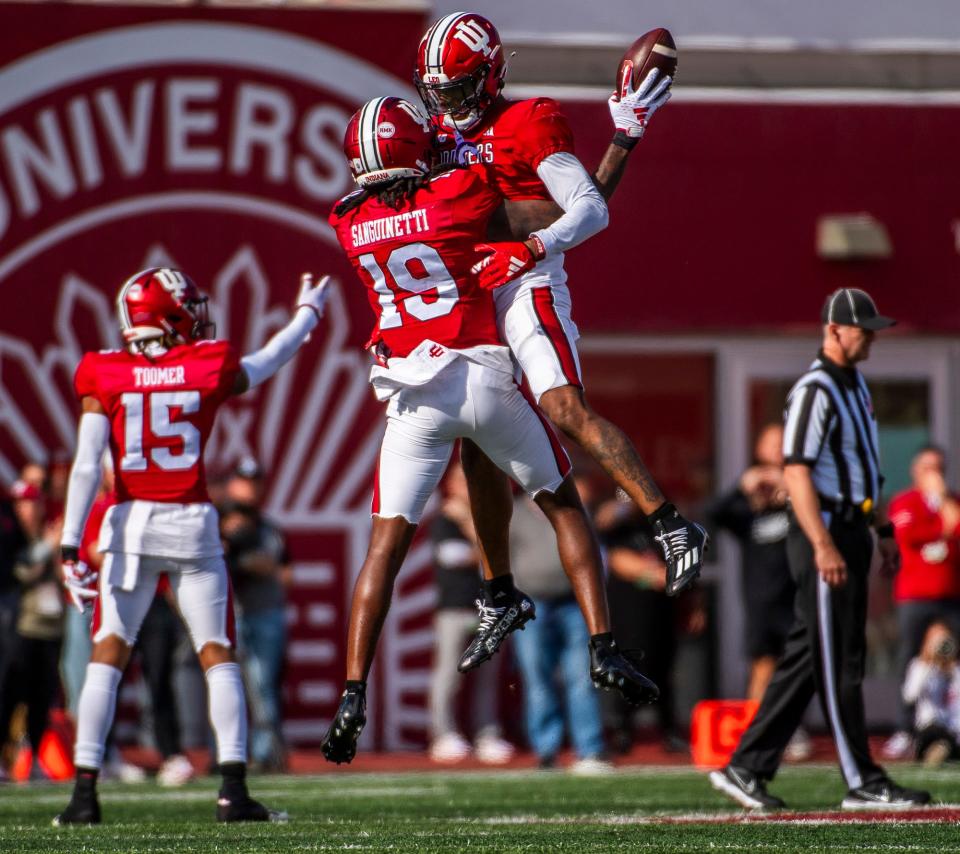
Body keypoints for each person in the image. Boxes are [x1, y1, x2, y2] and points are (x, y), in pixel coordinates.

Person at [320, 97, 657, 765]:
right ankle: (603, 647)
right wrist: (622, 142)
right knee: (562, 504)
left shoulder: (346, 220)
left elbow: (399, 190)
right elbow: (565, 213)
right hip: (478, 376)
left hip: (411, 403)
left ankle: (352, 695)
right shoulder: (459, 194)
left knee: (383, 551)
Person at [412, 12, 708, 662]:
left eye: (458, 90)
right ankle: (497, 592)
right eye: (439, 91)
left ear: (489, 79)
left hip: (527, 279)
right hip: (472, 287)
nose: (447, 104)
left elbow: (590, 207)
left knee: (563, 409)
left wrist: (530, 249)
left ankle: (672, 525)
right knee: (475, 436)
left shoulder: (529, 120)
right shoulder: (432, 129)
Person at [52, 265, 329, 824]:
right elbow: (268, 361)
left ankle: (84, 795)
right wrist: (308, 316)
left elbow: (86, 465)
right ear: (168, 312)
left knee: (108, 652)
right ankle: (232, 791)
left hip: (128, 523)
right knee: (216, 653)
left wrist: (67, 544)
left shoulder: (104, 370)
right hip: (191, 522)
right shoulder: (205, 363)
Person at [709, 288, 931, 810]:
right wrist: (823, 542)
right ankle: (862, 780)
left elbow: (864, 472)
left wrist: (881, 531)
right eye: (864, 329)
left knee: (813, 658)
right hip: (824, 531)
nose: (872, 338)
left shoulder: (856, 387)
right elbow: (798, 472)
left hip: (850, 529)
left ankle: (746, 766)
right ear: (834, 330)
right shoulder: (816, 389)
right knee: (840, 662)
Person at [509, 483, 609, 774]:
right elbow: (496, 558)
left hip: (573, 602)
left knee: (582, 676)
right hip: (530, 604)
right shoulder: (513, 513)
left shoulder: (573, 508)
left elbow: (595, 552)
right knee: (537, 677)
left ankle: (590, 750)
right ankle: (546, 750)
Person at [427, 460, 513, 765]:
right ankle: (443, 734)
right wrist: (478, 541)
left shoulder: (483, 517)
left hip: (489, 610)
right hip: (454, 608)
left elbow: (505, 552)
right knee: (449, 675)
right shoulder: (444, 520)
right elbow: (454, 556)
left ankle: (487, 734)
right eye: (463, 481)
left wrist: (471, 526)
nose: (469, 487)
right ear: (451, 486)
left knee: (487, 678)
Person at [883, 446, 960, 759]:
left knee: (954, 662)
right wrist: (942, 528)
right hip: (914, 595)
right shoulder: (905, 502)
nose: (934, 474)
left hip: (951, 594)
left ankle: (952, 725)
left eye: (938, 467)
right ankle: (905, 729)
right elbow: (908, 535)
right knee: (910, 660)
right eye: (928, 467)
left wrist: (943, 503)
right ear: (916, 471)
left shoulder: (952, 501)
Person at [220, 461, 291, 772]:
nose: (249, 489)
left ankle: (266, 753)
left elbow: (279, 570)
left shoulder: (267, 528)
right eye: (243, 482)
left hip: (263, 612)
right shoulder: (218, 522)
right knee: (224, 683)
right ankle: (224, 753)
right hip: (228, 613)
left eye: (254, 482)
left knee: (262, 685)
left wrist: (242, 558)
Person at [0, 479, 64, 781]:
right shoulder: (11, 536)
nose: (28, 509)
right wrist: (47, 547)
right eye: (23, 503)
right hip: (20, 626)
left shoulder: (47, 532)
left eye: (33, 502)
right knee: (10, 693)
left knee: (42, 696)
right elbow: (19, 572)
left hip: (50, 627)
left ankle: (36, 756)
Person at [902, 621, 960, 767]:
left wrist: (951, 668)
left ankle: (942, 751)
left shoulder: (956, 670)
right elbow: (909, 696)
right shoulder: (919, 666)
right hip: (930, 727)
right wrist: (928, 662)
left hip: (953, 729)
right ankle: (939, 750)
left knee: (951, 739)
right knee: (934, 735)